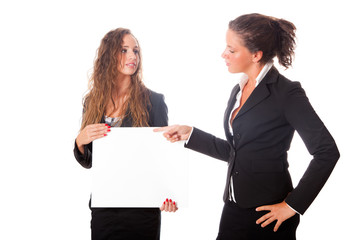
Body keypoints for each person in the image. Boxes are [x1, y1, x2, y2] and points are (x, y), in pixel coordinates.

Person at [155, 13, 339, 240]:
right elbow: (238, 152)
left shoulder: (287, 93)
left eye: (231, 50)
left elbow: (327, 152)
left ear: (256, 55)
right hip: (233, 208)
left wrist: (292, 206)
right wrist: (191, 134)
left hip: (269, 215)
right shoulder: (239, 89)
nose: (224, 54)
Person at [73, 28, 177, 240]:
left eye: (135, 51)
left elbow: (163, 156)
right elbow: (90, 162)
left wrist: (168, 194)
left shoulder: (153, 102)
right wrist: (80, 142)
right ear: (108, 56)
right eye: (124, 50)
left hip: (142, 208)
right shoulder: (93, 102)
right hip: (105, 207)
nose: (132, 56)